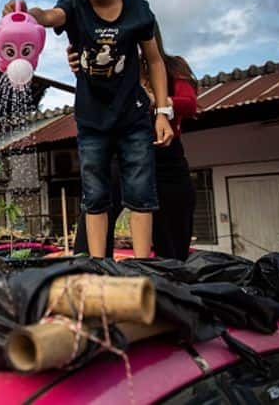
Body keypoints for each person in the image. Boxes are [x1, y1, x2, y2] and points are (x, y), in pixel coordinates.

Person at [3, 0, 174, 258]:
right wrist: (28, 15)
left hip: (134, 116)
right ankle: (98, 265)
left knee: (141, 191)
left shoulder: (139, 10)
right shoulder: (74, 6)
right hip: (91, 119)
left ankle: (141, 265)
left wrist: (163, 113)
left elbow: (154, 61)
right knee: (94, 195)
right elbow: (50, 16)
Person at [71, 24, 199, 260]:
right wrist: (82, 69)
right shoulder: (118, 67)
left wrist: (157, 100)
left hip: (166, 157)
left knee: (173, 241)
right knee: (96, 210)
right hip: (123, 153)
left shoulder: (173, 65)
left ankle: (170, 285)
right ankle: (92, 274)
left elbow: (189, 104)